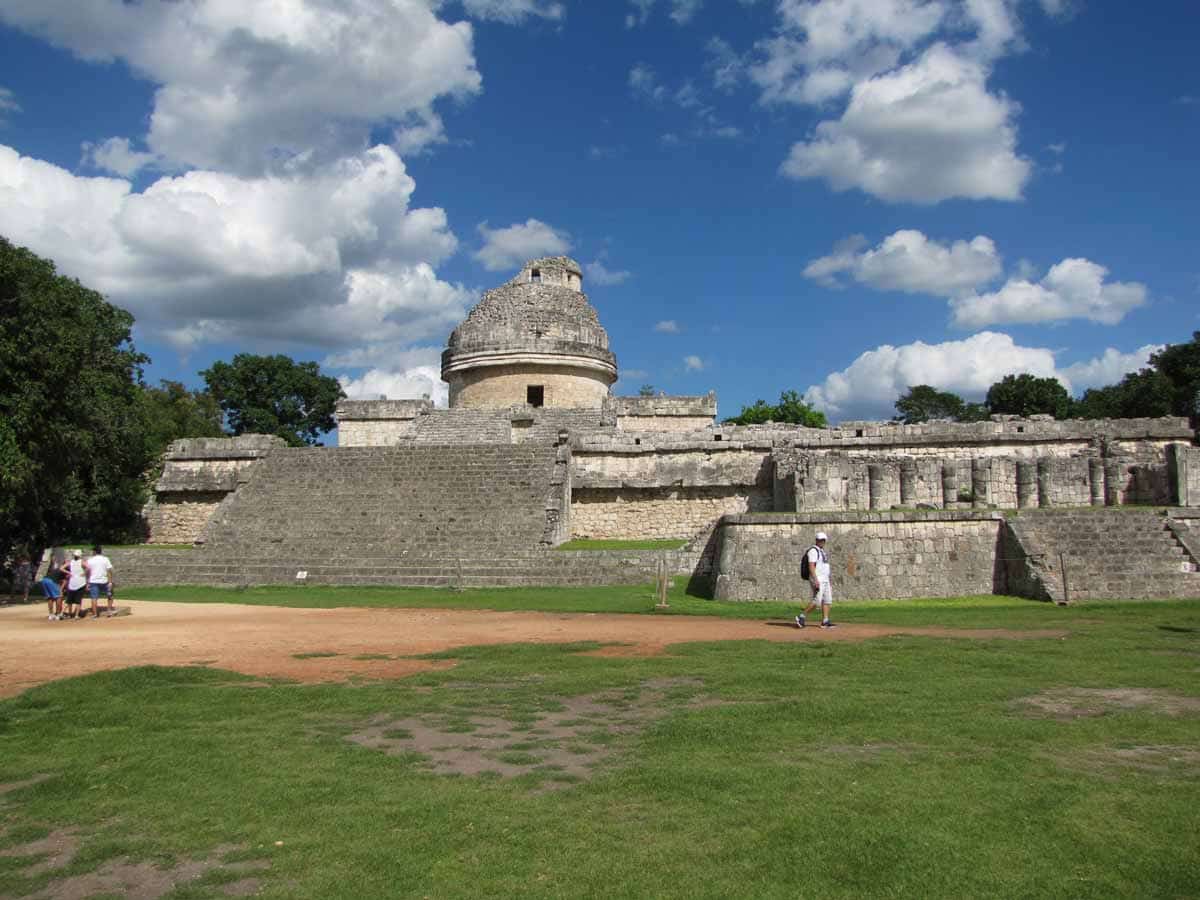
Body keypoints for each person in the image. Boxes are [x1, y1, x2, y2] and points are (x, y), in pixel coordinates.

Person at [795, 531, 836, 629]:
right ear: (816, 540)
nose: (821, 542)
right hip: (818, 579)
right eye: (819, 540)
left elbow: (824, 566)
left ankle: (825, 621)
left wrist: (828, 579)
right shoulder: (813, 551)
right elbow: (811, 566)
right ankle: (801, 616)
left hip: (825, 579)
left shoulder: (822, 551)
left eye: (823, 540)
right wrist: (815, 579)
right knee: (817, 600)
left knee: (827, 600)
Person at [86, 545, 115, 618]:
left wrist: (87, 582)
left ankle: (95, 614)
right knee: (110, 595)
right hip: (104, 581)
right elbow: (109, 570)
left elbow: (88, 572)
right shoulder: (105, 559)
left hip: (93, 581)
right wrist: (110, 581)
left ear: (95, 552)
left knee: (94, 598)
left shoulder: (90, 560)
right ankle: (109, 610)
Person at [65, 550, 87, 618]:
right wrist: (84, 573)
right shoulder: (82, 562)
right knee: (78, 600)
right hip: (80, 582)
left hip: (72, 582)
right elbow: (89, 567)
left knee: (70, 601)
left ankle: (69, 614)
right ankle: (76, 615)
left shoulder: (71, 562)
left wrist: (69, 573)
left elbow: (61, 568)